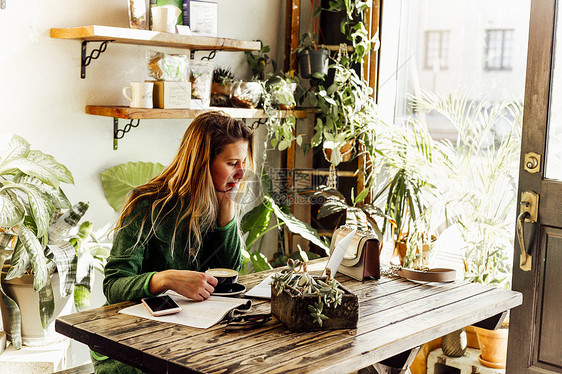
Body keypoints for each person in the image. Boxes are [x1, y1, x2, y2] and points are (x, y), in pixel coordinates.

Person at [91, 111, 254, 373]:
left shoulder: (217, 201)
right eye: (232, 162)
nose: (241, 172)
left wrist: (227, 206)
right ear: (202, 162)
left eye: (243, 162)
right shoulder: (146, 203)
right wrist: (165, 279)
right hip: (129, 345)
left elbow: (228, 274)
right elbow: (113, 286)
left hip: (185, 336)